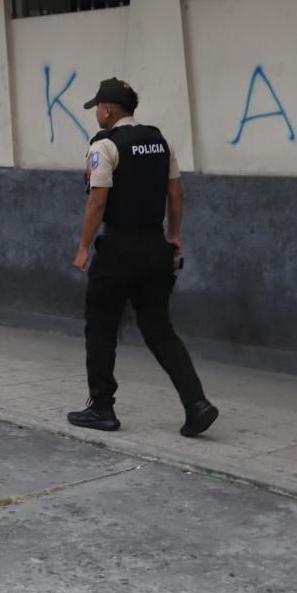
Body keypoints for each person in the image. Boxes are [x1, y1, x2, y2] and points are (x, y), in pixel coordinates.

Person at [69, 78, 219, 437]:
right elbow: (177, 193)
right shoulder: (160, 141)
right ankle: (197, 403)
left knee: (102, 326)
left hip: (119, 249)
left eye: (98, 109)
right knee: (159, 328)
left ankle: (102, 408)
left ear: (107, 110)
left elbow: (98, 200)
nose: (97, 115)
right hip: (155, 247)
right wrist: (174, 234)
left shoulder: (104, 144)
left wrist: (84, 246)